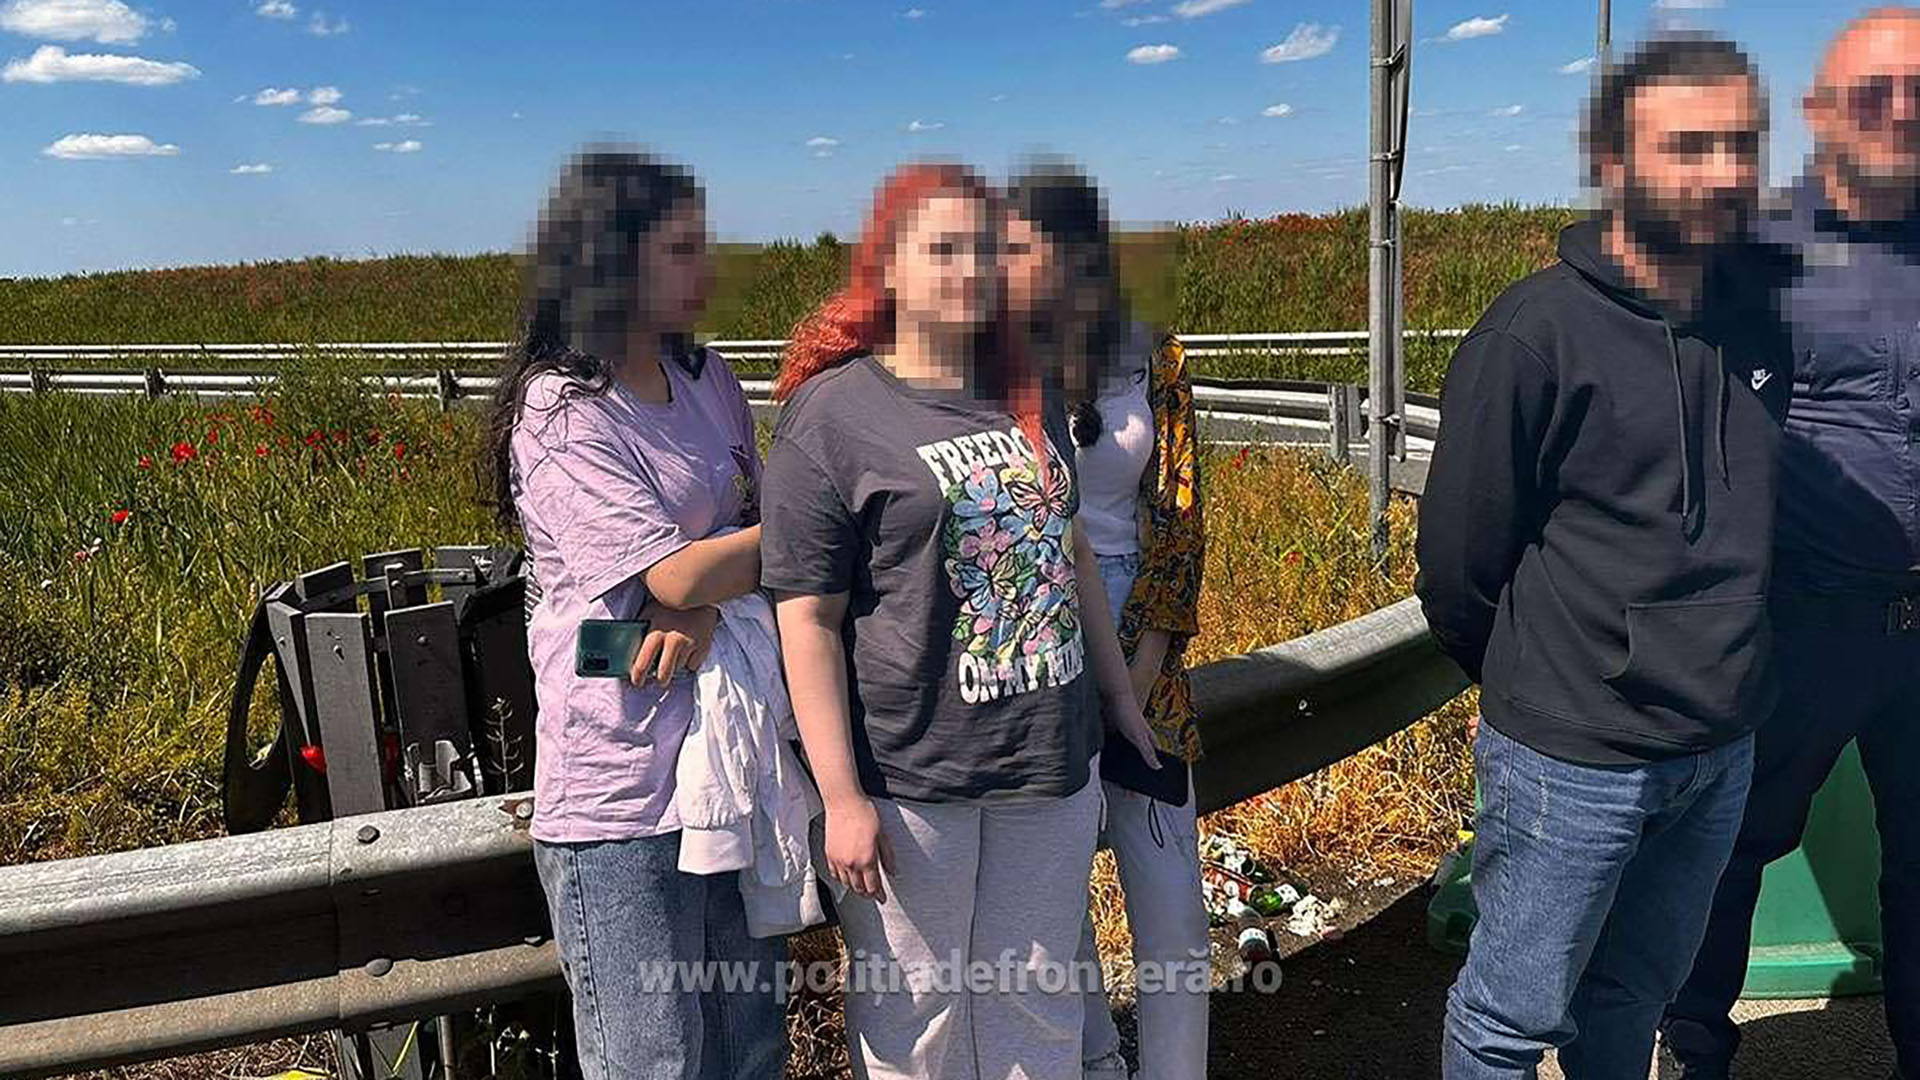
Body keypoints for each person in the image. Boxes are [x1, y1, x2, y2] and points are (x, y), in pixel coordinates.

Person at [1413, 34, 1794, 1079]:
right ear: (1615, 162)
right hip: (1572, 760)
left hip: (1721, 744)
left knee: (1635, 993)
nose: (1723, 173)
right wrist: (1548, 692)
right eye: (1689, 146)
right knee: (1509, 1021)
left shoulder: (1759, 323)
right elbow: (1458, 570)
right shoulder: (1532, 336)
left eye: (1741, 146)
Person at [759, 161, 1161, 1080]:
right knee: (920, 1019)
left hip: (1047, 759)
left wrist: (1118, 702)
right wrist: (842, 798)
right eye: (942, 249)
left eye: (984, 249)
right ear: (886, 267)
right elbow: (807, 619)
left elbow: (1073, 556)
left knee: (1038, 1002)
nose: (970, 270)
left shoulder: (1028, 387)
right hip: (912, 778)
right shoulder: (833, 415)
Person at [485, 149, 785, 1080]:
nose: (706, 268)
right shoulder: (562, 410)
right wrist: (709, 582)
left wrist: (705, 601)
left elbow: (734, 546)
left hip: (726, 762)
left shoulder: (707, 379)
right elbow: (667, 584)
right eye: (681, 249)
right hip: (619, 791)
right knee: (653, 1059)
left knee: (749, 1049)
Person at [1663, 10, 1920, 1079]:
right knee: (1725, 851)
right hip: (1800, 623)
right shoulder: (1748, 257)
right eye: (1873, 91)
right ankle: (1693, 1051)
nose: (1900, 111)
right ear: (1819, 111)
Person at [1003, 165, 1210, 1080]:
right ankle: (1093, 1064)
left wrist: (1144, 663)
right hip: (1034, 639)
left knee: (1172, 909)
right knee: (1053, 905)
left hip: (1145, 638)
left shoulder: (1154, 352)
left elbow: (1183, 511)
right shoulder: (992, 364)